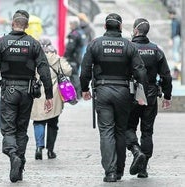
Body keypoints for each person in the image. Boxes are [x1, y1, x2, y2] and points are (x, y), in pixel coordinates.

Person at [80, 13, 148, 182]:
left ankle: (109, 172)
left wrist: (84, 89)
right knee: (120, 131)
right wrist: (142, 93)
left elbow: (85, 69)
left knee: (106, 132)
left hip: (102, 91)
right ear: (120, 27)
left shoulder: (95, 44)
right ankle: (119, 171)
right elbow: (141, 71)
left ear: (105, 27)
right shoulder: (128, 45)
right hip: (123, 92)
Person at [0, 10, 53, 183]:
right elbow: (44, 69)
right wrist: (49, 95)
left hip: (8, 90)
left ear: (12, 24)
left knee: (8, 128)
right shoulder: (33, 44)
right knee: (21, 129)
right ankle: (19, 164)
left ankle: (12, 154)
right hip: (27, 91)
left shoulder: (1, 43)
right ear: (26, 26)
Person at [125, 18, 173, 178]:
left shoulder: (129, 47)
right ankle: (143, 168)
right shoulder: (156, 50)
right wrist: (167, 95)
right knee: (147, 131)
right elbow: (166, 75)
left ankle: (136, 150)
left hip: (132, 93)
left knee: (128, 127)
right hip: (151, 93)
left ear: (136, 31)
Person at [31, 38, 72, 160]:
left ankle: (39, 147)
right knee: (53, 124)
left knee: (38, 121)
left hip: (37, 95)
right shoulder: (56, 58)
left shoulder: (33, 58)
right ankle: (50, 150)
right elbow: (68, 71)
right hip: (53, 95)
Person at [64, 16, 86, 99]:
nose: (70, 25)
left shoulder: (74, 34)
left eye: (70, 24)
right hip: (79, 57)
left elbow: (70, 47)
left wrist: (65, 57)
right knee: (76, 74)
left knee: (74, 76)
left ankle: (77, 94)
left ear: (74, 24)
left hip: (73, 58)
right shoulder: (81, 32)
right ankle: (79, 93)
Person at [168, 9, 181, 80]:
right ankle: (177, 62)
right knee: (176, 51)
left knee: (175, 51)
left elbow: (174, 31)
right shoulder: (178, 20)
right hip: (178, 37)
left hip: (176, 37)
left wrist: (171, 39)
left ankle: (177, 63)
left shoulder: (174, 21)